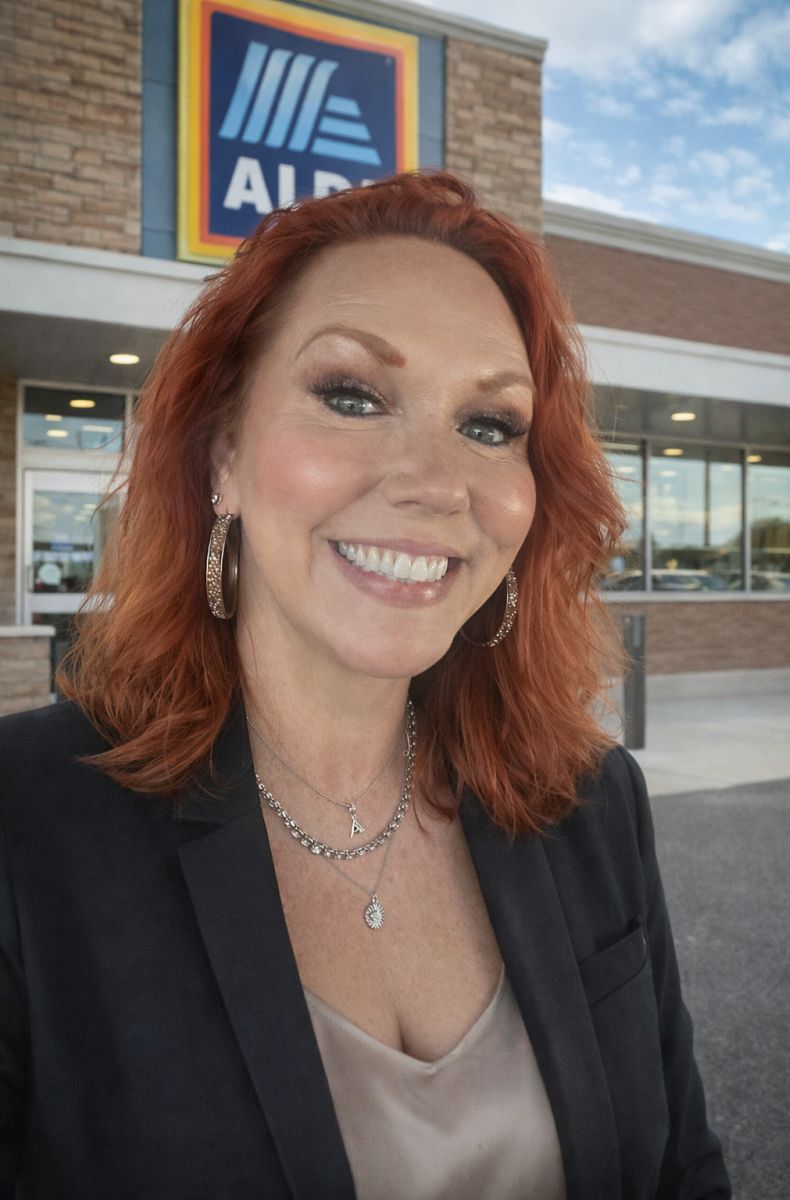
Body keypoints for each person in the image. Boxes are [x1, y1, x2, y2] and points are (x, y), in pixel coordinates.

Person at [0, 171, 730, 1200]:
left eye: (490, 424)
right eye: (350, 396)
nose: (435, 483)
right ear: (223, 454)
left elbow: (680, 1170)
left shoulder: (591, 801)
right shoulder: (25, 826)